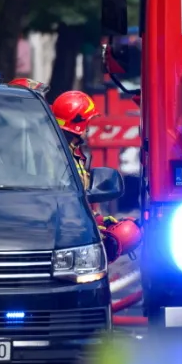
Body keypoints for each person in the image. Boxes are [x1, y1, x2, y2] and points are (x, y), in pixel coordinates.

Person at [51, 90, 140, 261]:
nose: (91, 126)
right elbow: (64, 207)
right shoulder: (58, 158)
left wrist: (101, 220)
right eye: (89, 121)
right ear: (78, 123)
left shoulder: (68, 152)